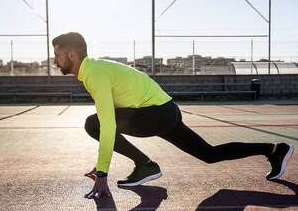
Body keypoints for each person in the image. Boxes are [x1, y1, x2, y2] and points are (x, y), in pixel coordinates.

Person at [52, 32, 294, 199]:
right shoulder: (95, 69)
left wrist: (102, 172)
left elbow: (107, 124)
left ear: (72, 55)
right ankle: (275, 149)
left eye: (58, 54)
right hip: (164, 111)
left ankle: (145, 165)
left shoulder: (94, 73)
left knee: (94, 123)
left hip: (157, 113)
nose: (55, 60)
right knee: (209, 154)